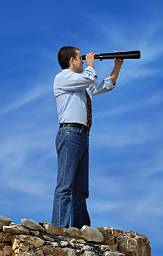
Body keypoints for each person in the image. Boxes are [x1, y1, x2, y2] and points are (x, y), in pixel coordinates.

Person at [51, 46, 123, 228]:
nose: (83, 61)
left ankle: (79, 229)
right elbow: (90, 77)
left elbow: (105, 85)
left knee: (81, 189)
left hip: (83, 135)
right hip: (69, 133)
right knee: (65, 185)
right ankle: (59, 229)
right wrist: (91, 64)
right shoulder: (63, 78)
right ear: (71, 60)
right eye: (80, 57)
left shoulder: (81, 84)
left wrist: (118, 66)